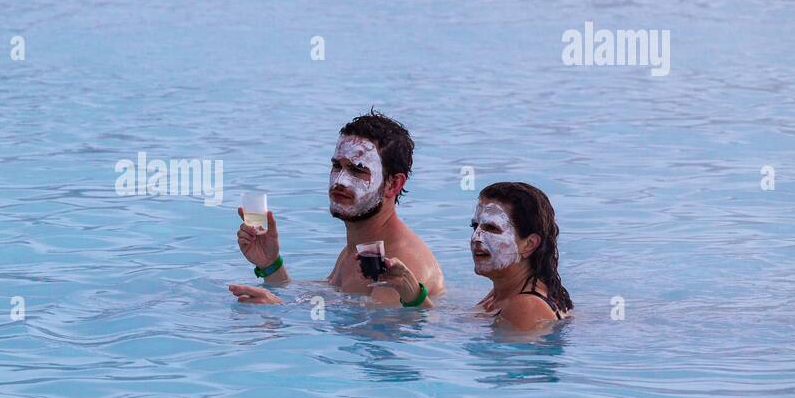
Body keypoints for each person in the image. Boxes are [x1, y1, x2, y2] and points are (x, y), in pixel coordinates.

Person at [228, 111, 444, 307]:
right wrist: (271, 264)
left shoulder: (399, 261)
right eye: (337, 166)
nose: (340, 181)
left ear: (394, 184)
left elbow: (377, 333)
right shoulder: (360, 249)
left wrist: (279, 311)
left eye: (357, 170)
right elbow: (332, 300)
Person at [377, 182, 573, 331]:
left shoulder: (526, 307)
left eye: (491, 228)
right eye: (475, 226)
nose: (476, 238)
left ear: (529, 244)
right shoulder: (506, 292)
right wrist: (409, 288)